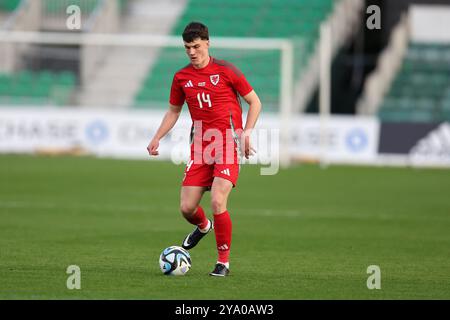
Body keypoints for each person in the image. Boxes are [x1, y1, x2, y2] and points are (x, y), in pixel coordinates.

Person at [147, 21, 262, 277]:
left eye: (196, 46)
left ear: (207, 43)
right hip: (200, 147)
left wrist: (247, 132)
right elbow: (173, 111)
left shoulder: (226, 70)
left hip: (227, 144)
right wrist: (157, 137)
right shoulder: (181, 77)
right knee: (187, 208)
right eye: (187, 47)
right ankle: (203, 226)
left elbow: (255, 102)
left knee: (218, 200)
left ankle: (223, 262)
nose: (191, 52)